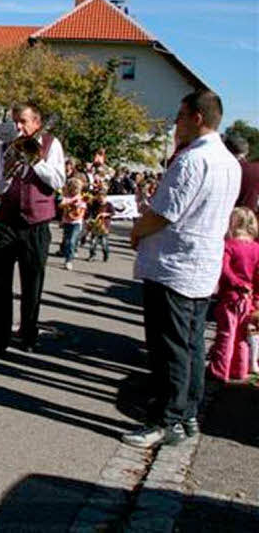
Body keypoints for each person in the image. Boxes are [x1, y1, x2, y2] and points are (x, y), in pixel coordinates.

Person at [123, 90, 241, 448]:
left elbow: (164, 213)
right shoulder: (229, 161)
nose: (176, 122)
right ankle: (187, 412)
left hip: (175, 266)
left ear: (198, 119)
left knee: (168, 348)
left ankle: (165, 419)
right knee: (190, 345)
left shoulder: (192, 161)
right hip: (200, 267)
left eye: (181, 115)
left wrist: (137, 231)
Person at [0, 103, 66, 355]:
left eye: (22, 121)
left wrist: (35, 161)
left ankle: (28, 334)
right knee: (0, 282)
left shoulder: (51, 144)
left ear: (36, 122)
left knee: (32, 282)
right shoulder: (5, 146)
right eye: (15, 121)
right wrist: (8, 175)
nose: (18, 127)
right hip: (7, 220)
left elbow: (58, 181)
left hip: (37, 222)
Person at [205, 207, 259, 382]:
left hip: (230, 296)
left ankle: (220, 370)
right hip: (248, 298)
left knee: (225, 334)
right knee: (242, 335)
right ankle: (240, 369)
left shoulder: (228, 246)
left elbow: (225, 270)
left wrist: (237, 283)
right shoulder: (256, 248)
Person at [225, 134, 259, 213]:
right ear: (246, 151)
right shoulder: (256, 169)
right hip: (251, 219)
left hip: (228, 218)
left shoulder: (224, 170)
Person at [58, 177, 86, 270]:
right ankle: (67, 254)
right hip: (66, 221)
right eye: (73, 189)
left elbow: (82, 210)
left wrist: (77, 208)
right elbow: (61, 205)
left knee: (72, 241)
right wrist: (69, 204)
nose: (75, 191)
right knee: (66, 241)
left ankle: (69, 260)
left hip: (76, 222)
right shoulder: (67, 197)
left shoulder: (81, 198)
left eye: (77, 189)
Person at [85, 190, 115, 262]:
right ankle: (92, 255)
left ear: (105, 198)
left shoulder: (108, 205)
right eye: (99, 198)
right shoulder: (94, 204)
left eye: (102, 199)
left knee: (104, 243)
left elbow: (113, 213)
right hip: (95, 225)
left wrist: (106, 214)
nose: (100, 200)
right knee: (93, 242)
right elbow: (90, 212)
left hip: (104, 226)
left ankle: (106, 253)